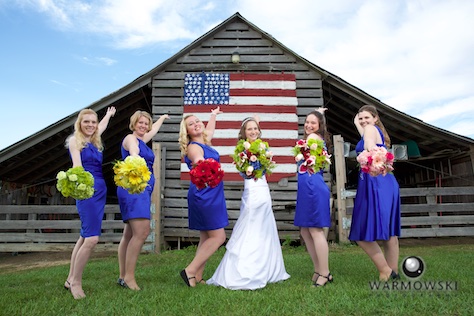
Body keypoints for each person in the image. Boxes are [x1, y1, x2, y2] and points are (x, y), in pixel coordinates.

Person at [207, 117, 290, 290]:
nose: (253, 131)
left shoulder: (263, 146)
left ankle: (268, 268)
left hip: (263, 188)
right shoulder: (240, 151)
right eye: (250, 129)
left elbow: (265, 168)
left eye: (256, 128)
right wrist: (251, 164)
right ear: (244, 133)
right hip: (252, 189)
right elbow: (246, 173)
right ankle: (243, 270)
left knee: (264, 226)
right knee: (250, 222)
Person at [64, 107, 116, 299]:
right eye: (86, 121)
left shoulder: (95, 140)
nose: (91, 125)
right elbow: (77, 167)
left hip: (101, 189)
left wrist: (108, 115)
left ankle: (70, 278)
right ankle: (76, 283)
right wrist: (83, 184)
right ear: (80, 123)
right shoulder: (74, 141)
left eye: (93, 122)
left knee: (85, 235)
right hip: (87, 189)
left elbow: (101, 126)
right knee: (92, 239)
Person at [117, 110, 169, 290]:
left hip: (142, 189)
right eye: (140, 123)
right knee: (142, 232)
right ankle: (129, 278)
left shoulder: (143, 139)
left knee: (129, 234)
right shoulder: (131, 140)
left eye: (146, 123)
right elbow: (134, 150)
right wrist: (135, 156)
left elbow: (152, 131)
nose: (144, 126)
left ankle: (123, 275)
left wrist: (161, 118)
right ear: (133, 123)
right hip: (134, 188)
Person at [348, 105, 401, 281]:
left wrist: (369, 149)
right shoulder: (374, 130)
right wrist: (357, 121)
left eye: (366, 118)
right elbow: (365, 134)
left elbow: (369, 142)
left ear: (375, 119)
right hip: (387, 182)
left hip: (375, 182)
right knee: (389, 232)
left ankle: (385, 270)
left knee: (360, 232)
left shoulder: (370, 130)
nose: (363, 122)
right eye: (360, 118)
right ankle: (393, 273)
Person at [178, 107, 229, 287]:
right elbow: (199, 160)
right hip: (205, 195)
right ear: (188, 131)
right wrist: (202, 162)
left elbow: (210, 131)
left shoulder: (204, 141)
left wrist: (213, 115)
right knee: (218, 237)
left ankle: (197, 276)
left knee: (206, 237)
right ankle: (190, 271)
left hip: (211, 194)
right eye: (191, 124)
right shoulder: (193, 147)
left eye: (197, 121)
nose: (196, 125)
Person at [294, 108, 333, 287]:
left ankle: (325, 273)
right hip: (307, 187)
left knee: (315, 231)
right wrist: (318, 112)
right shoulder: (317, 139)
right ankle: (318, 269)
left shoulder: (312, 138)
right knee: (305, 231)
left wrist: (319, 114)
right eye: (307, 122)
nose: (309, 125)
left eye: (313, 123)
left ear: (319, 126)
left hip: (312, 187)